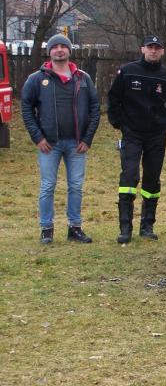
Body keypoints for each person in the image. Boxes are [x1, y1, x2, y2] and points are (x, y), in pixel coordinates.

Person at [21, 34, 100, 244]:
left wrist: (87, 138)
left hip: (76, 144)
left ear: (69, 51)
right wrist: (37, 137)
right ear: (50, 52)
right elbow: (26, 109)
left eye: (63, 47)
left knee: (75, 186)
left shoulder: (83, 78)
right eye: (54, 47)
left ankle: (75, 228)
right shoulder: (37, 79)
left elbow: (95, 108)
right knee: (48, 186)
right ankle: (46, 229)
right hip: (49, 145)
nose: (59, 50)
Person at [108, 35, 166, 243]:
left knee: (152, 179)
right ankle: (125, 228)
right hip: (132, 133)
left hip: (156, 136)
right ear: (142, 49)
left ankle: (147, 225)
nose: (153, 51)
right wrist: (119, 123)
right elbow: (114, 98)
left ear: (162, 51)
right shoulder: (128, 71)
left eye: (157, 48)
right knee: (129, 177)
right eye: (150, 47)